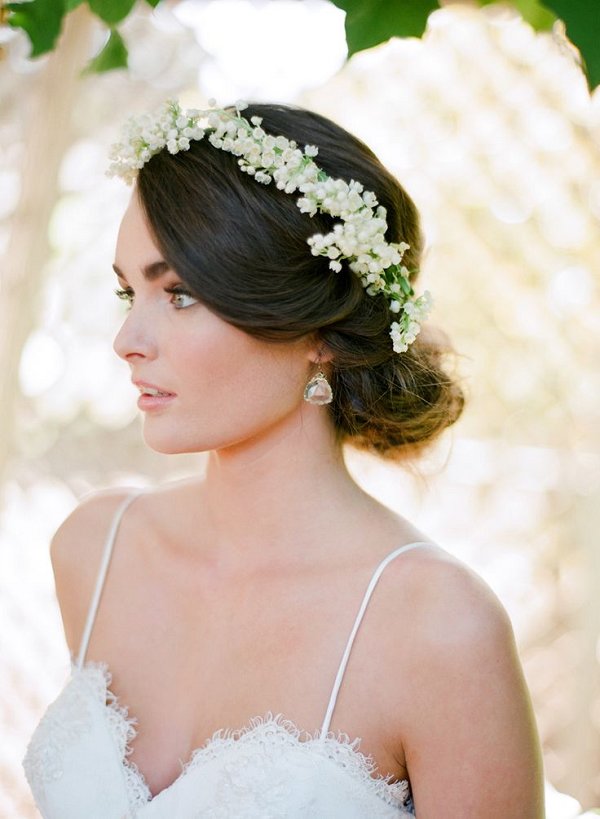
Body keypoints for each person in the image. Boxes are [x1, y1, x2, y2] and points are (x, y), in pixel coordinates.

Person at [22, 100, 545, 818]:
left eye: (179, 293)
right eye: (128, 290)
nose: (127, 338)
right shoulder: (93, 549)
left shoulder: (438, 628)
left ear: (318, 332)